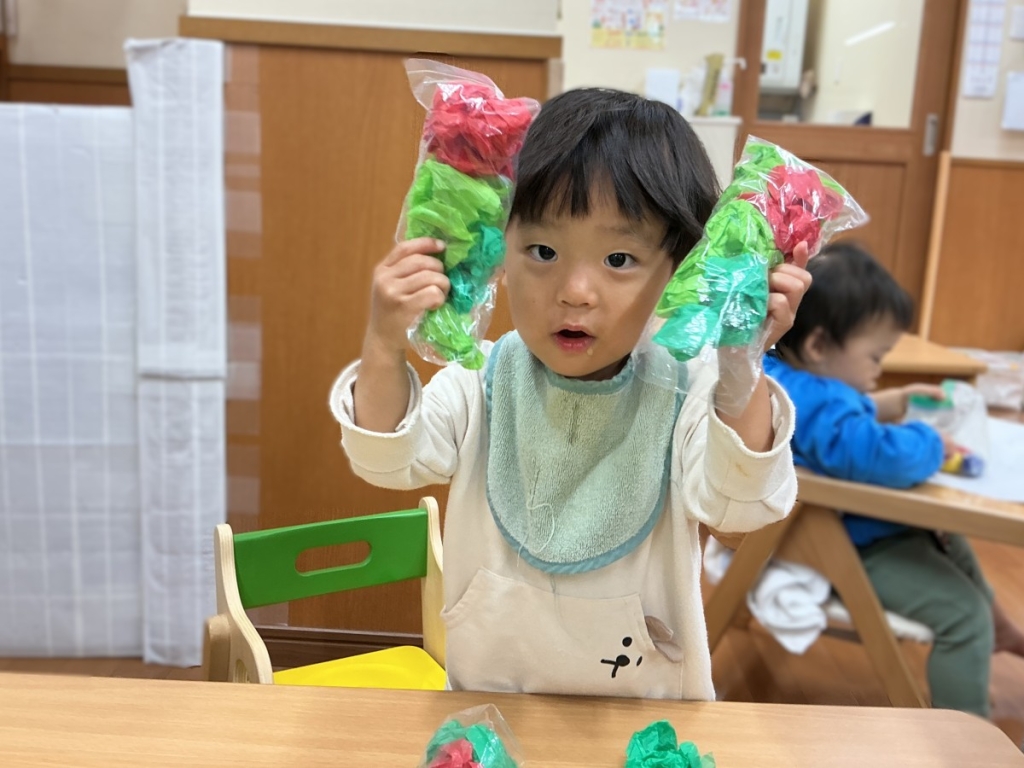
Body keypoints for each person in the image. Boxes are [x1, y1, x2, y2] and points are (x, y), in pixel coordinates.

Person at [331, 88, 811, 699]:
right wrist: (383, 342)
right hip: (492, 705)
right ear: (498, 250)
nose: (575, 291)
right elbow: (385, 457)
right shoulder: (483, 379)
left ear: (679, 270)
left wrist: (741, 364)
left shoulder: (687, 390)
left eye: (619, 258)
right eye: (544, 251)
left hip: (646, 717)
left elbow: (741, 506)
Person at [765, 242, 1024, 717]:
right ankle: (967, 732)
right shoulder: (820, 401)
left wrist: (895, 401)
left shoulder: (789, 379)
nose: (879, 369)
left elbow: (838, 423)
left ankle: (998, 627)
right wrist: (931, 443)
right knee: (962, 617)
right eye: (876, 357)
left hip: (849, 529)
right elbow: (865, 451)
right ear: (819, 346)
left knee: (953, 543)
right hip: (841, 545)